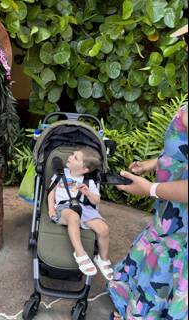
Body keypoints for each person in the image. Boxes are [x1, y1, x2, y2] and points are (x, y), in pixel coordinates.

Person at [108, 25, 188, 320]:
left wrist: (150, 188)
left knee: (169, 266)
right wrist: (155, 164)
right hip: (172, 215)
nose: (186, 49)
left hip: (181, 222)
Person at [48, 146, 114, 280]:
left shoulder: (89, 182)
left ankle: (103, 258)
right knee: (73, 217)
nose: (70, 157)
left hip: (83, 208)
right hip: (64, 208)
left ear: (85, 169)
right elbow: (51, 193)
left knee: (104, 229)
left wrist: (88, 193)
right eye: (72, 154)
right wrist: (51, 209)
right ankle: (80, 253)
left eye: (75, 157)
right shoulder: (60, 174)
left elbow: (96, 201)